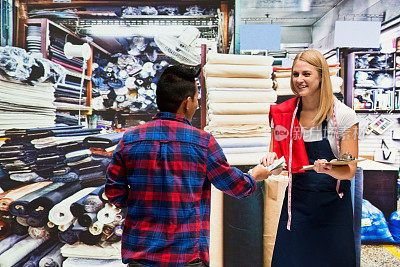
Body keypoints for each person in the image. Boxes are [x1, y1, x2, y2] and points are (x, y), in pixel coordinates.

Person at [105, 65, 271, 267]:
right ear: (187, 102)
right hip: (186, 256)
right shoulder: (202, 142)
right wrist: (255, 175)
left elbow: (114, 193)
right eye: (196, 98)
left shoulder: (130, 140)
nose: (196, 104)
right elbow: (236, 186)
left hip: (141, 255)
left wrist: (144, 203)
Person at [261, 49, 359, 266]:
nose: (299, 80)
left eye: (306, 74)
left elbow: (350, 170)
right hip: (297, 206)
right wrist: (270, 161)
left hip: (333, 208)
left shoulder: (344, 116)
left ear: (321, 76)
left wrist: (328, 168)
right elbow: (279, 165)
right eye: (295, 74)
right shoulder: (284, 114)